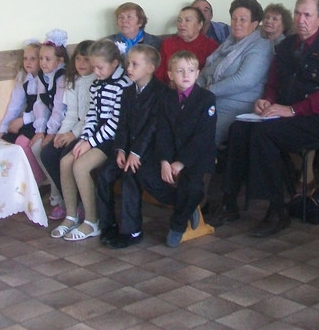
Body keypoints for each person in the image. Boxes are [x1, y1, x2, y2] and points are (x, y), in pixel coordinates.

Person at [208, 0, 319, 237]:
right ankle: (229, 202)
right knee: (239, 128)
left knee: (264, 134)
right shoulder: (286, 46)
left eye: (307, 15)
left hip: (316, 120)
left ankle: (277, 209)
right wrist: (267, 100)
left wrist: (293, 110)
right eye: (298, 13)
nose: (301, 19)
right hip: (282, 114)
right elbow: (273, 83)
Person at [132, 51, 217, 247]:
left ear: (197, 74)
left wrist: (181, 163)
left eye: (191, 70)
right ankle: (187, 207)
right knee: (145, 174)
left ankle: (177, 224)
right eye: (180, 71)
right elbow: (163, 132)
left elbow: (203, 136)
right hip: (170, 153)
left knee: (193, 188)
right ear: (170, 75)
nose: (186, 75)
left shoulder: (206, 98)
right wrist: (164, 161)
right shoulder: (166, 98)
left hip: (196, 155)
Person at [51, 40, 131, 241]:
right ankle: (71, 216)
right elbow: (92, 116)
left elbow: (115, 123)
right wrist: (84, 139)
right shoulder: (96, 85)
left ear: (114, 63)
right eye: (94, 67)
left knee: (80, 166)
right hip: (95, 136)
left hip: (113, 139)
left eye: (100, 67)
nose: (96, 71)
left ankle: (92, 221)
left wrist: (90, 143)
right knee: (65, 162)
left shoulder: (123, 85)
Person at [96, 45, 168, 249]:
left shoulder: (161, 92)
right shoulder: (128, 92)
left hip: (149, 151)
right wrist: (120, 149)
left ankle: (132, 230)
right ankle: (108, 224)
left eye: (135, 64)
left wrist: (136, 153)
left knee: (130, 175)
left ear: (150, 68)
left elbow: (153, 127)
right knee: (104, 175)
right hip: (127, 149)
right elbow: (123, 124)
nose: (129, 68)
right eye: (128, 63)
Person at [198, 0, 273, 145]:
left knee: (199, 135)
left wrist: (207, 91)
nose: (237, 23)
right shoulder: (228, 43)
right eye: (234, 18)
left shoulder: (261, 46)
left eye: (243, 20)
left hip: (235, 107)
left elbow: (243, 80)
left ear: (254, 24)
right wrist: (192, 91)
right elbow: (206, 71)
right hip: (209, 101)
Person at [40, 39, 95, 220]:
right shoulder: (73, 80)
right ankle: (68, 200)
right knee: (48, 153)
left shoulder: (96, 81)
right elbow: (71, 113)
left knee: (66, 155)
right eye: (78, 59)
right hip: (75, 128)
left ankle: (80, 203)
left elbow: (90, 117)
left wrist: (72, 135)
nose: (81, 63)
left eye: (86, 59)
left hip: (89, 132)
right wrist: (61, 134)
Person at [0, 41, 47, 184]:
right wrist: (2, 130)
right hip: (28, 119)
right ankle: (15, 183)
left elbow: (44, 108)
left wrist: (23, 120)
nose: (28, 62)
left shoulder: (45, 79)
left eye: (33, 59)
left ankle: (37, 181)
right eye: (25, 58)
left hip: (41, 120)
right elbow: (14, 105)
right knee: (6, 141)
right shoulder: (25, 78)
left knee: (23, 142)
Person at [30, 30, 69, 207]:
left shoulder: (62, 77)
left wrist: (51, 133)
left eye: (47, 59)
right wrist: (40, 130)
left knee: (47, 150)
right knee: (36, 146)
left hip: (65, 123)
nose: (42, 63)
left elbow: (60, 108)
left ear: (59, 61)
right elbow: (41, 104)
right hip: (52, 123)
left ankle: (59, 193)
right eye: (41, 58)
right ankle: (55, 187)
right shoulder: (43, 76)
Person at [155, 6, 218, 83]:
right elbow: (159, 74)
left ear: (200, 24)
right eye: (179, 20)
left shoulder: (211, 46)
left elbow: (211, 76)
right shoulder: (167, 44)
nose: (182, 24)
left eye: (187, 20)